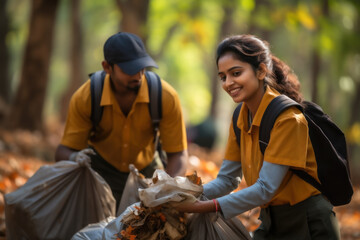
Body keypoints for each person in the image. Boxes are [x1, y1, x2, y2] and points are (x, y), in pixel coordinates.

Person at [175, 34, 340, 239]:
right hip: (270, 221)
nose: (228, 83)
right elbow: (227, 179)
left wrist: (202, 207)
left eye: (236, 73)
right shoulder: (240, 117)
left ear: (261, 71)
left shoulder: (288, 119)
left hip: (309, 223)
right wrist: (180, 195)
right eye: (223, 77)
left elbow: (265, 188)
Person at [55, 32, 188, 207]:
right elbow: (62, 151)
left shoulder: (165, 96)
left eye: (142, 67)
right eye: (129, 69)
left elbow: (178, 154)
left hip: (146, 173)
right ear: (107, 67)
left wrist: (166, 189)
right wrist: (74, 156)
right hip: (99, 173)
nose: (138, 75)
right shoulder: (86, 98)